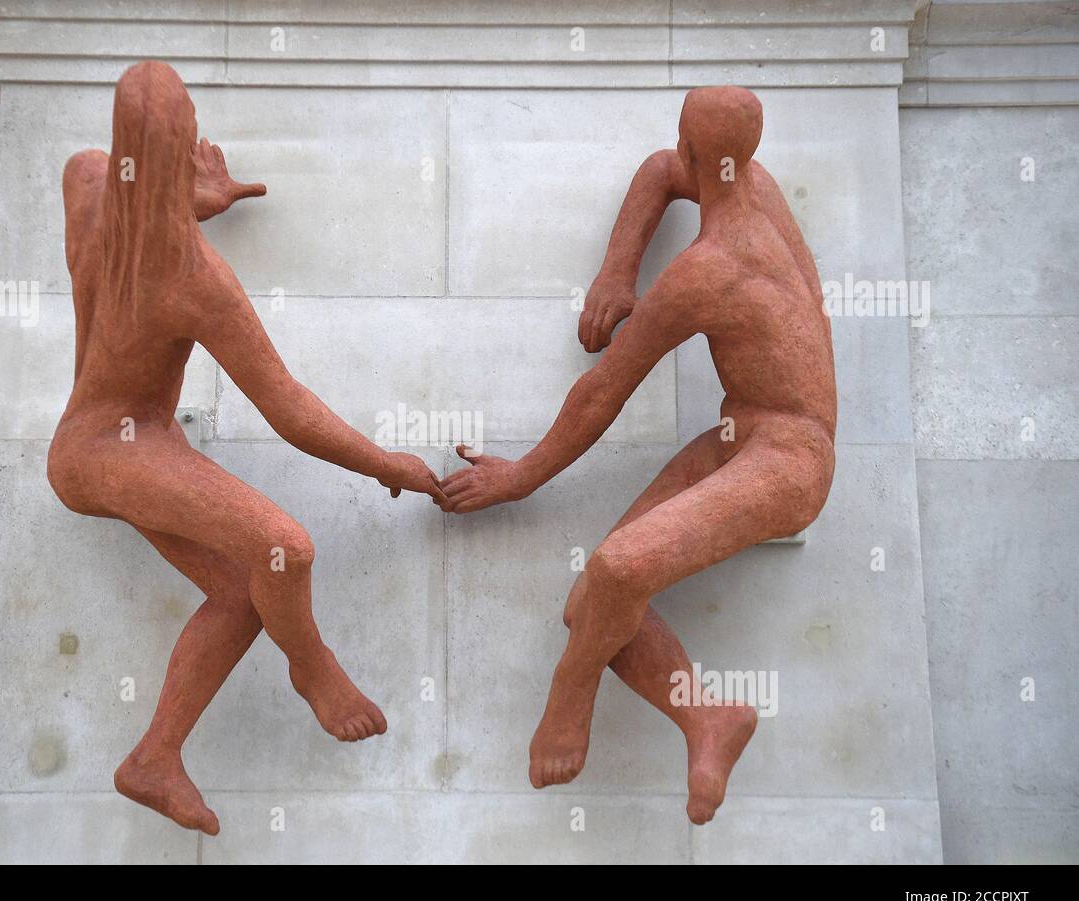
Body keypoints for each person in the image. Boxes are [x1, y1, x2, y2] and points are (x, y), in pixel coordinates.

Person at [48, 61, 444, 836]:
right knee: (284, 552)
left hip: (100, 441)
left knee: (241, 592)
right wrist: (388, 463)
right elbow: (289, 409)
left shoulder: (90, 181)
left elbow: (115, 187)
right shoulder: (191, 279)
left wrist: (182, 200)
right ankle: (312, 667)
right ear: (183, 148)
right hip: (112, 450)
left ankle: (153, 759)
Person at [440, 86, 836, 824]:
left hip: (790, 458)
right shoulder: (756, 182)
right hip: (739, 433)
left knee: (618, 571)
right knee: (595, 601)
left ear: (695, 147)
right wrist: (616, 271)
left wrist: (519, 476)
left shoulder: (707, 272)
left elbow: (602, 393)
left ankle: (570, 693)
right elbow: (660, 171)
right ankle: (707, 719)